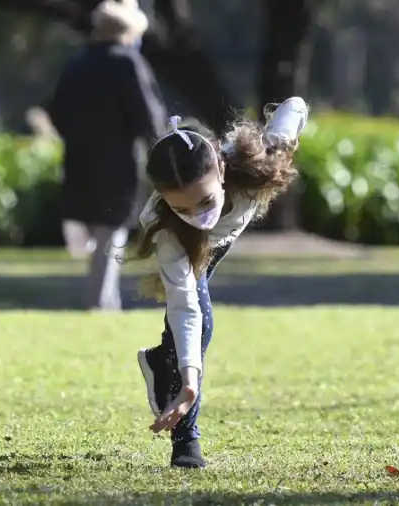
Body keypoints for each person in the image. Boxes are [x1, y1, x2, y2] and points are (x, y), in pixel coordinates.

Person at [129, 97, 309, 468]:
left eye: (205, 200)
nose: (198, 217)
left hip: (217, 247)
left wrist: (289, 129)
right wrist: (189, 379)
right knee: (201, 327)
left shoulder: (253, 161)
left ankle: (160, 362)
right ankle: (185, 445)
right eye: (182, 208)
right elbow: (184, 306)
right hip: (192, 254)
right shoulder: (168, 230)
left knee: (185, 342)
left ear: (222, 171)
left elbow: (295, 105)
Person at [47, 0, 166, 310]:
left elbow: (57, 112)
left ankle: (105, 301)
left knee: (92, 235)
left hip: (78, 160)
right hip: (117, 165)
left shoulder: (77, 63)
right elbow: (149, 118)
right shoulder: (128, 63)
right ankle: (100, 303)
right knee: (109, 236)